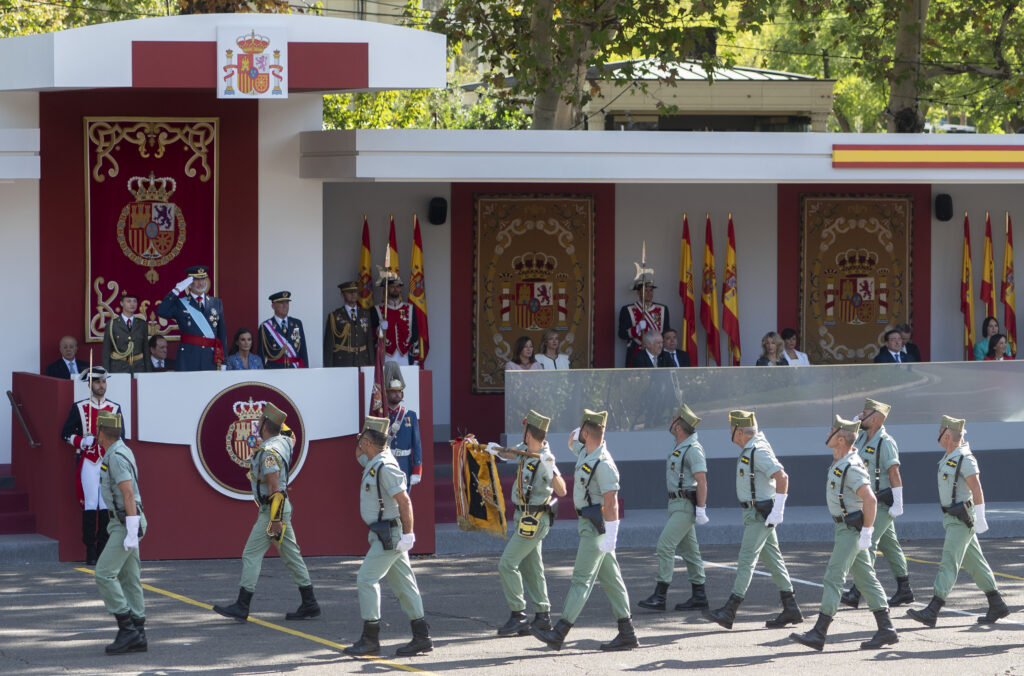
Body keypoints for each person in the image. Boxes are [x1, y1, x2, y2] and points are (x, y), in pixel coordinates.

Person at [531, 409, 637, 652]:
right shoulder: (588, 453)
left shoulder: (603, 464)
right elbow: (572, 443)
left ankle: (559, 632)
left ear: (587, 433)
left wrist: (611, 536)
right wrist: (578, 434)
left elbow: (611, 504)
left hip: (597, 528)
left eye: (582, 429)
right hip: (591, 525)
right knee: (612, 580)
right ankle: (627, 632)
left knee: (581, 579)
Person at [790, 415, 897, 652]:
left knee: (833, 576)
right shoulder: (842, 461)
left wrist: (868, 531)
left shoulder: (851, 465)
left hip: (850, 530)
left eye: (831, 431)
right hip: (846, 527)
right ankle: (886, 629)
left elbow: (870, 499)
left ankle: (819, 632)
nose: (826, 433)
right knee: (866, 579)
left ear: (839, 439)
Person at [213, 403, 321, 623]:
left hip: (273, 510)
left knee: (251, 554)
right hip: (281, 509)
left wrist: (275, 520)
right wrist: (274, 419)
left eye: (260, 421)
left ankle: (242, 605)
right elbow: (291, 435)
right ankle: (309, 602)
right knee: (292, 556)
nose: (256, 424)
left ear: (264, 426)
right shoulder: (285, 442)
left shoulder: (269, 452)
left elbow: (274, 487)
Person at [906, 415, 1010, 627]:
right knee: (975, 563)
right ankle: (996, 603)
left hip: (961, 518)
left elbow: (977, 488)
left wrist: (981, 517)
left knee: (949, 561)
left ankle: (933, 609)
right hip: (953, 516)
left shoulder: (964, 457)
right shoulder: (950, 456)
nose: (937, 435)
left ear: (946, 434)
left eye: (939, 431)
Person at [344, 416, 432, 658]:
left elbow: (405, 501)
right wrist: (365, 433)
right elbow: (358, 456)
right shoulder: (374, 460)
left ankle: (371, 638)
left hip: (390, 535)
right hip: (383, 533)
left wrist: (409, 534)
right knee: (405, 585)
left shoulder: (386, 466)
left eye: (362, 440)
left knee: (366, 579)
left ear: (369, 442)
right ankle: (422, 636)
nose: (359, 443)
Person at [704, 410, 801, 630]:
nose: (729, 432)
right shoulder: (752, 448)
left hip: (760, 515)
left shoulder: (758, 450)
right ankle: (791, 607)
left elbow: (782, 477)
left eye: (731, 428)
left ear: (739, 431)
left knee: (746, 560)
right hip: (756, 513)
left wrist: (778, 510)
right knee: (774, 562)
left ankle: (730, 611)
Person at [492, 410, 567, 637]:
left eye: (524, 429)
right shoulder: (525, 450)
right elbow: (506, 453)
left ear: (529, 432)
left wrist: (549, 468)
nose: (522, 432)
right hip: (522, 517)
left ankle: (519, 615)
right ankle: (543, 616)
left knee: (507, 563)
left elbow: (562, 490)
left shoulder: (545, 458)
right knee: (531, 568)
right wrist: (486, 448)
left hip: (535, 519)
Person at [840, 399, 913, 610]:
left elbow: (894, 472)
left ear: (876, 418)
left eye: (864, 413)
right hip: (867, 501)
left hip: (881, 502)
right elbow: (845, 444)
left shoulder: (885, 442)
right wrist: (853, 424)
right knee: (890, 546)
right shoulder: (862, 437)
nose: (860, 416)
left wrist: (898, 502)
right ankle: (904, 589)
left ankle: (857, 591)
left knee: (867, 544)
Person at [637, 404, 709, 612]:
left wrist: (701, 509)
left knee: (665, 545)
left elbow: (702, 481)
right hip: (676, 503)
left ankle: (660, 596)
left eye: (674, 419)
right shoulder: (681, 447)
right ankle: (699, 595)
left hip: (685, 505)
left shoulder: (693, 449)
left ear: (679, 427)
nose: (671, 422)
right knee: (690, 552)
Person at [93, 411, 148, 655]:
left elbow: (127, 493)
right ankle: (139, 632)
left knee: (104, 573)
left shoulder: (115, 456)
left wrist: (131, 529)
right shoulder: (121, 450)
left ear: (101, 432)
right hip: (128, 520)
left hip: (126, 521)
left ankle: (127, 629)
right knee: (129, 577)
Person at [61, 367, 122, 565]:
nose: (101, 385)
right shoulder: (79, 407)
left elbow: (122, 437)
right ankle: (89, 548)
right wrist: (80, 441)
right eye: (97, 382)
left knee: (105, 504)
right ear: (90, 384)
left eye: (103, 382)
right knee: (89, 504)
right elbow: (65, 434)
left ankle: (102, 547)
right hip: (88, 461)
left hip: (107, 461)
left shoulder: (114, 407)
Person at [156, 265, 226, 371]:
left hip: (210, 358)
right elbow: (161, 311)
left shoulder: (216, 303)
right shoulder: (180, 303)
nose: (201, 283)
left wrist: (224, 362)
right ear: (189, 283)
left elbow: (222, 334)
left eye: (203, 279)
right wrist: (176, 290)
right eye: (196, 279)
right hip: (188, 358)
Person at [618, 280, 670, 367]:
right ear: (638, 293)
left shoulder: (662, 309)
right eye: (645, 290)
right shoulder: (627, 309)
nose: (649, 293)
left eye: (651, 290)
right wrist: (637, 329)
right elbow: (622, 334)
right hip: (636, 351)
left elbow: (666, 332)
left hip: (657, 352)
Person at [372, 275, 420, 365]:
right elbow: (372, 334)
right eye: (392, 287)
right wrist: (380, 329)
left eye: (397, 286)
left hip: (405, 354)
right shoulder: (377, 309)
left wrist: (416, 358)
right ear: (385, 290)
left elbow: (415, 332)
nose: (395, 289)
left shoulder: (409, 308)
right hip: (386, 354)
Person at [324, 281, 374, 367]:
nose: (353, 294)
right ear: (342, 295)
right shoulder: (334, 316)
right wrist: (329, 367)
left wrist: (372, 363)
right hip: (343, 361)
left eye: (355, 291)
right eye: (349, 292)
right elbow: (329, 344)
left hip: (363, 360)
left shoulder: (365, 314)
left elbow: (369, 341)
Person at [386, 377, 423, 488]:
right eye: (393, 391)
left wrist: (417, 469)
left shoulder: (410, 415)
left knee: (404, 502)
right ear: (387, 394)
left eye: (399, 391)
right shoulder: (381, 415)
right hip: (386, 462)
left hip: (405, 464)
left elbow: (416, 444)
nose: (397, 394)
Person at [102, 291, 150, 374]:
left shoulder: (142, 324)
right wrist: (106, 373)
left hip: (138, 367)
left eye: (134, 301)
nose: (132, 304)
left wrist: (148, 371)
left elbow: (146, 350)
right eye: (128, 301)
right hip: (118, 367)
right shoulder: (112, 324)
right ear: (121, 303)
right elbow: (106, 351)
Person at [259, 291, 309, 369]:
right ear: (273, 306)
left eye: (287, 303)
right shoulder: (265, 327)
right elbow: (261, 354)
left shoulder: (297, 324)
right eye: (281, 303)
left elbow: (303, 351)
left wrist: (305, 371)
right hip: (274, 371)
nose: (285, 306)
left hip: (295, 370)